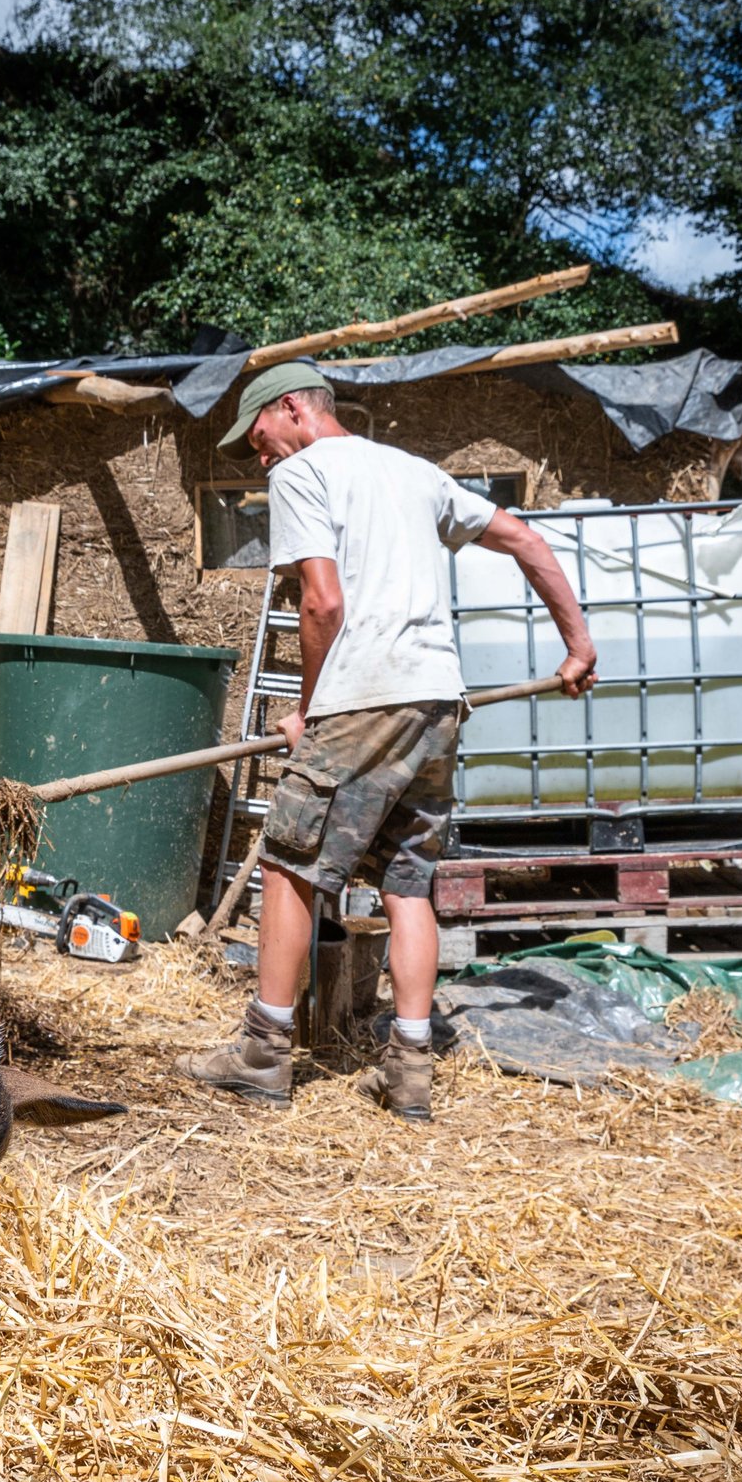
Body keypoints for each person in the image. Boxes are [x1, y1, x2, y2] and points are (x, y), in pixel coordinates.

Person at [179, 362, 598, 1122]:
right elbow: (526, 539)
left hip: (364, 694)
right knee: (407, 883)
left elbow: (323, 601)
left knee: (288, 863)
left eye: (260, 435)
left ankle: (263, 1052)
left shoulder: (305, 475)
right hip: (438, 698)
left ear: (295, 409)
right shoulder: (416, 474)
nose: (260, 454)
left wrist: (310, 711)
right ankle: (408, 1068)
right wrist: (578, 645)